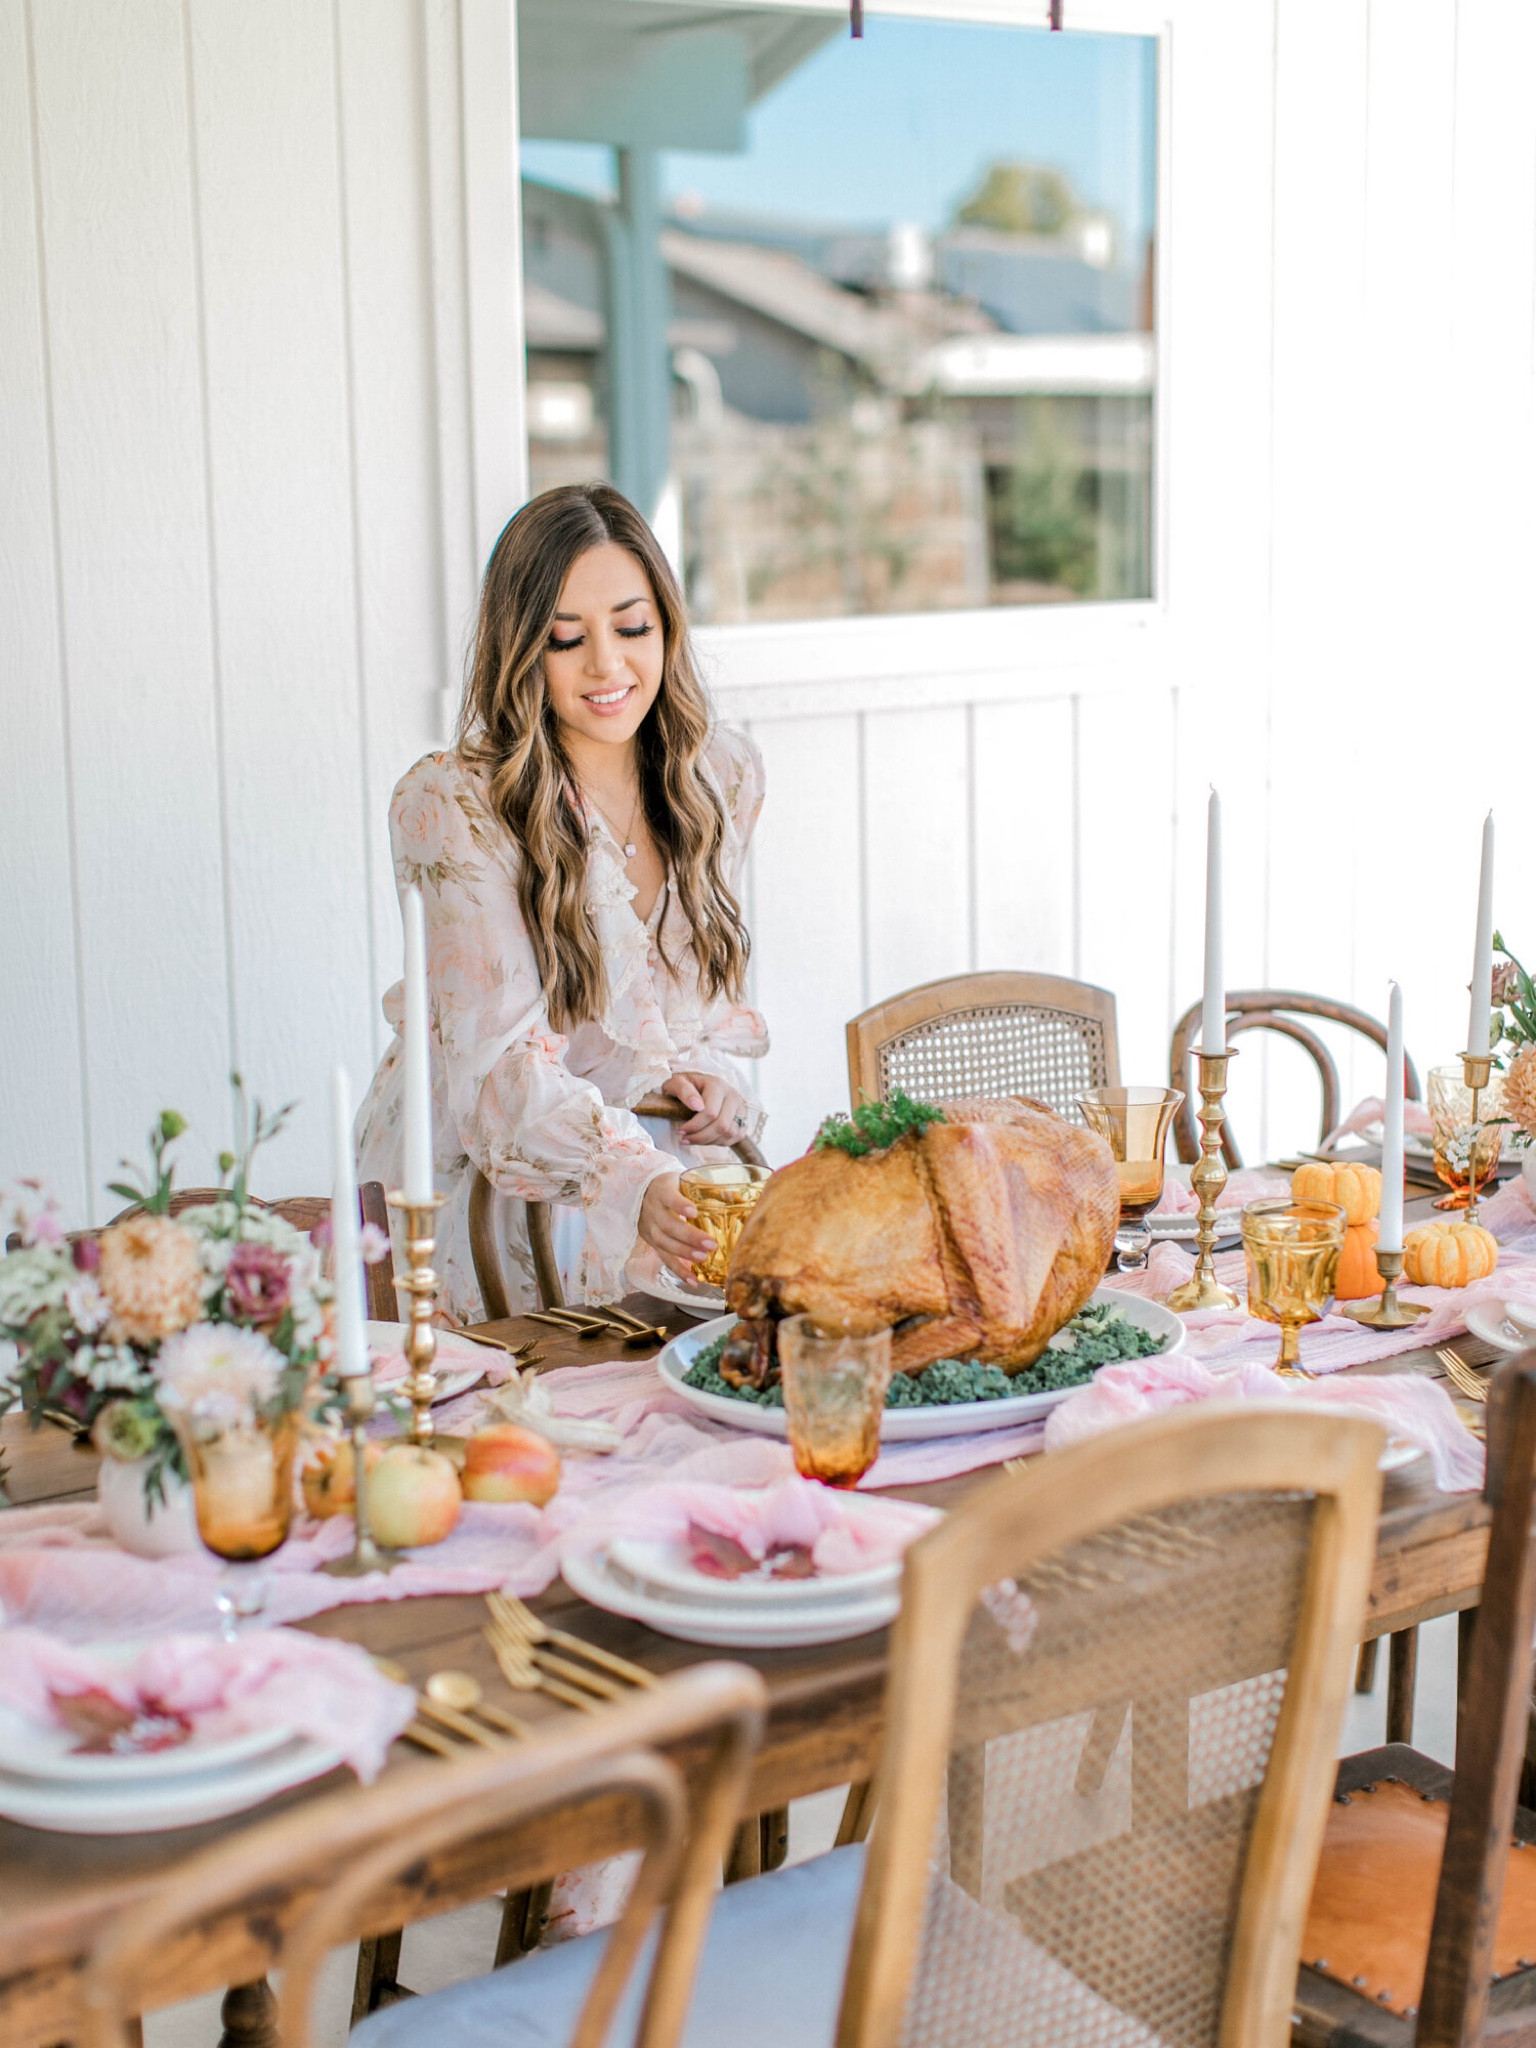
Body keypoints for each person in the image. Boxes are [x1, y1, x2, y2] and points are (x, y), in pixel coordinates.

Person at [357, 483, 768, 1320]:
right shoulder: (456, 806)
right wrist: (632, 1176)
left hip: (653, 1190)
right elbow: (499, 1074)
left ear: (668, 627)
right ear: (520, 649)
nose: (607, 666)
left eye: (631, 627)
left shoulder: (717, 776)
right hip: (482, 1197)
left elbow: (679, 1010)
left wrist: (704, 1080)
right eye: (564, 638)